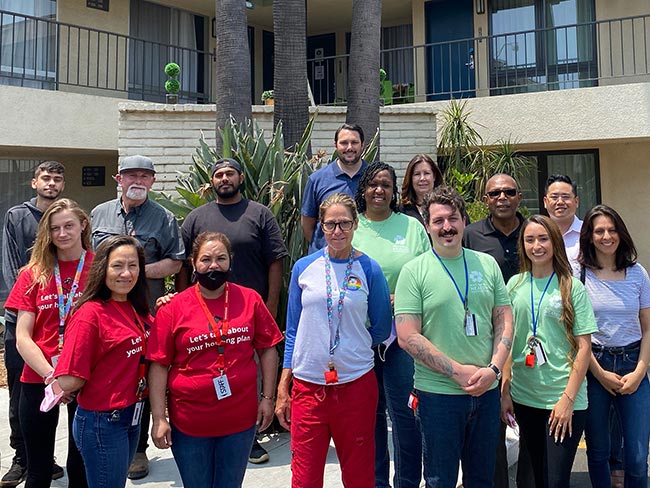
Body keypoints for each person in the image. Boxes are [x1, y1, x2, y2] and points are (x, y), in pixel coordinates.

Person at [394, 185, 513, 488]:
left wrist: (494, 370)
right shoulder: (414, 271)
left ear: (463, 221)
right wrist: (458, 372)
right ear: (427, 225)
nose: (446, 227)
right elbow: (407, 337)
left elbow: (504, 320)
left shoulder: (486, 264)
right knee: (440, 479)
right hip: (438, 396)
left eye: (453, 218)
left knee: (482, 479)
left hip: (486, 392)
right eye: (438, 220)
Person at [148, 231, 282, 488]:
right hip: (189, 424)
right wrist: (159, 418)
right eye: (206, 259)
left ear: (231, 261)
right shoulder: (173, 308)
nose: (213, 265)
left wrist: (267, 398)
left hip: (239, 422)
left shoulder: (250, 299)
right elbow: (159, 364)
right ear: (193, 263)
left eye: (221, 258)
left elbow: (267, 349)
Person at [276, 193, 392, 488]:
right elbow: (293, 330)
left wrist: (350, 347)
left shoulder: (370, 269)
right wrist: (282, 386)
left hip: (356, 386)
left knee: (359, 475)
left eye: (344, 223)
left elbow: (380, 327)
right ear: (321, 228)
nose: (337, 231)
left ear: (355, 225)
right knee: (304, 477)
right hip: (309, 387)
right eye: (330, 224)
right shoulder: (304, 268)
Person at [177, 157, 288, 463]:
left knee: (246, 375)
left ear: (240, 178)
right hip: (202, 314)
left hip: (247, 313)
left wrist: (271, 305)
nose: (224, 178)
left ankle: (248, 437)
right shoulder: (196, 218)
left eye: (229, 173)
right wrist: (183, 302)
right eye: (218, 174)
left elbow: (275, 261)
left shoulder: (260, 214)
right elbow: (184, 265)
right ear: (211, 181)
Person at [90, 154, 184, 479]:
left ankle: (137, 448)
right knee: (104, 373)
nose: (138, 182)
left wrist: (135, 272)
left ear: (153, 182)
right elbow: (90, 259)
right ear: (119, 179)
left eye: (145, 176)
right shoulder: (99, 213)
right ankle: (100, 435)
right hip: (103, 313)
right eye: (132, 176)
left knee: (141, 376)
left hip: (144, 314)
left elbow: (176, 261)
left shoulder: (164, 218)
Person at [502, 215, 597, 488]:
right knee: (528, 480)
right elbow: (509, 340)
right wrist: (505, 391)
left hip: (563, 399)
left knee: (554, 481)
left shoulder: (572, 287)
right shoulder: (514, 285)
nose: (537, 246)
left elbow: (584, 347)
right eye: (529, 239)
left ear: (555, 242)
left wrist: (568, 399)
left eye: (543, 238)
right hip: (524, 396)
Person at [3, 198, 91, 488]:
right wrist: (52, 377)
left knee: (80, 467)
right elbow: (23, 336)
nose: (62, 234)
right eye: (54, 228)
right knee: (38, 470)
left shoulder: (100, 269)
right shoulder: (33, 272)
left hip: (86, 378)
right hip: (39, 377)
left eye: (69, 226)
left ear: (83, 226)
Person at [352, 162, 430, 488]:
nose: (379, 190)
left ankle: (408, 483)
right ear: (363, 190)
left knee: (405, 416)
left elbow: (429, 271)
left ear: (394, 190)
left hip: (403, 339)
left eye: (386, 184)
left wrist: (405, 296)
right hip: (360, 338)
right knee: (368, 418)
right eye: (373, 184)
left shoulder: (411, 227)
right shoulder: (352, 226)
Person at [55, 235, 152, 488]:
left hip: (132, 415)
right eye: (117, 265)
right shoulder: (90, 314)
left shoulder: (136, 307)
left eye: (133, 266)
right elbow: (69, 379)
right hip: (103, 422)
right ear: (103, 269)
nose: (126, 273)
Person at [463, 173, 532, 488]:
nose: (502, 197)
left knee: (531, 418)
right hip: (486, 340)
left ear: (519, 197)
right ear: (486, 199)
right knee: (492, 427)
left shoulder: (534, 232)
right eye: (495, 193)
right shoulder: (471, 235)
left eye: (509, 191)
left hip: (533, 338)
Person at [1, 160, 66, 487]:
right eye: (46, 178)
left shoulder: (64, 221)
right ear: (33, 182)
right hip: (23, 320)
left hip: (61, 321)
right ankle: (21, 458)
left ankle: (46, 458)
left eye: (57, 179)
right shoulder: (17, 216)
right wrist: (31, 304)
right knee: (22, 395)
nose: (51, 184)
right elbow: (12, 267)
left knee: (58, 392)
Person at [578, 205, 650, 488]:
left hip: (634, 363)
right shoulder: (578, 275)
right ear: (589, 236)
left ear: (621, 233)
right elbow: (576, 333)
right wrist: (598, 373)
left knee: (636, 455)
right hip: (595, 364)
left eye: (612, 230)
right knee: (598, 452)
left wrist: (640, 371)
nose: (606, 236)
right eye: (599, 231)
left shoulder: (637, 273)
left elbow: (648, 328)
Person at [301, 123, 368, 253]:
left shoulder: (373, 178)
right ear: (335, 145)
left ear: (362, 145)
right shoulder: (317, 179)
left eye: (354, 142)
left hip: (363, 258)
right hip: (324, 259)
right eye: (344, 143)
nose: (349, 147)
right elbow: (307, 225)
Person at [543, 174, 582, 274]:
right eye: (554, 197)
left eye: (565, 197)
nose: (560, 202)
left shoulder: (588, 232)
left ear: (576, 201)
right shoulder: (538, 235)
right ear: (545, 202)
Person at [399, 153, 443, 227]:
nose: (422, 178)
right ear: (411, 178)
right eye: (417, 174)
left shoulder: (449, 206)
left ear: (434, 176)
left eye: (426, 173)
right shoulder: (401, 212)